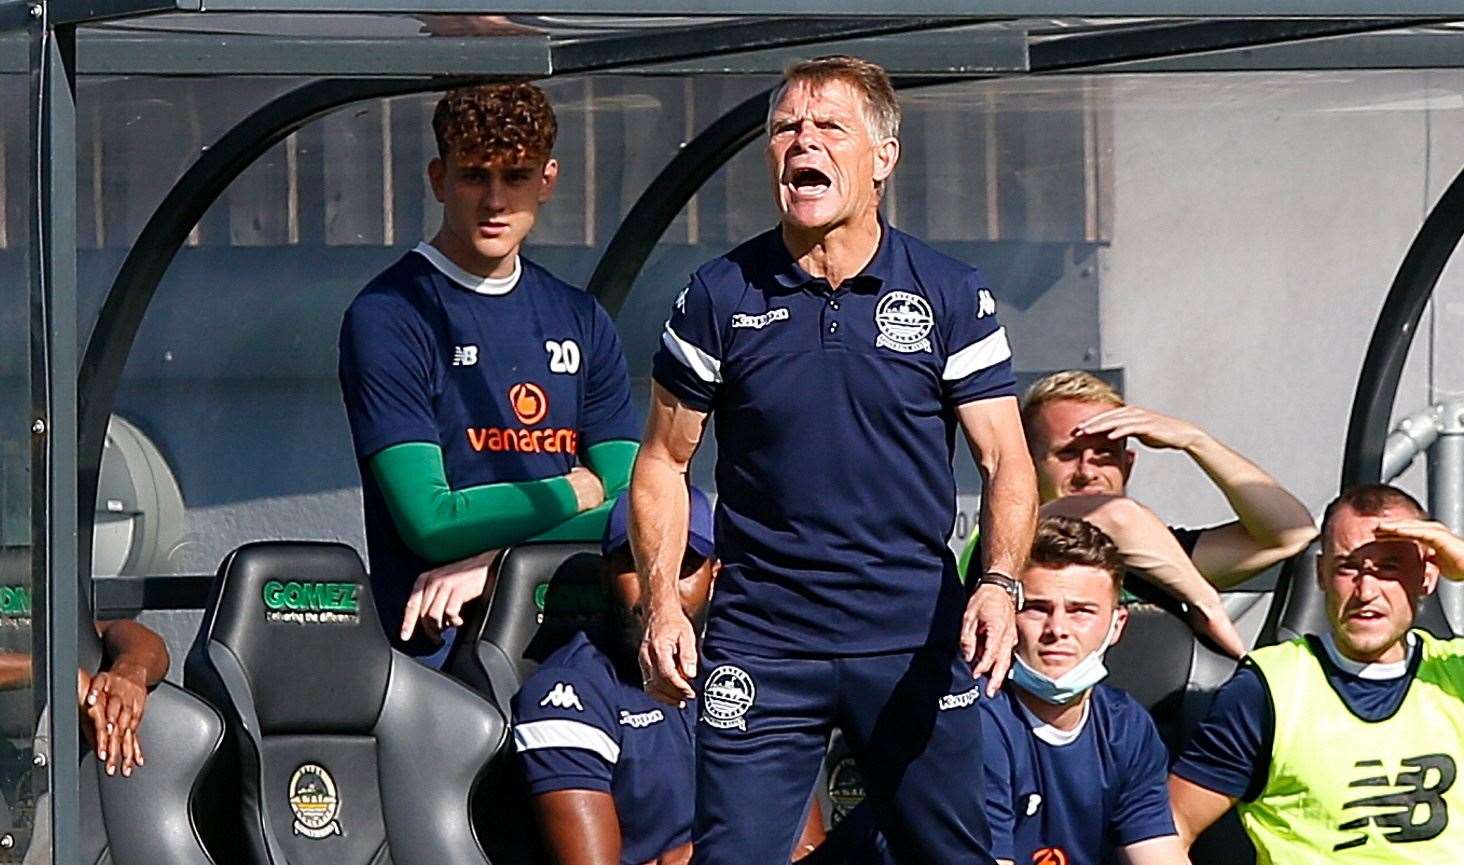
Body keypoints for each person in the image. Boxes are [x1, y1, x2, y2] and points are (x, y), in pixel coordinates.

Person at [631, 55, 1038, 865]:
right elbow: (662, 464)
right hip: (763, 642)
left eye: (827, 128)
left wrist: (999, 580)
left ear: (883, 157)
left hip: (912, 636)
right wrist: (663, 603)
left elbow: (1007, 462)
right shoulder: (719, 294)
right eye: (785, 128)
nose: (800, 142)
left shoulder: (949, 294)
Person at [338, 83, 639, 665]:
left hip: (573, 635)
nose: (495, 201)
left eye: (517, 177)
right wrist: (572, 490)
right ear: (438, 179)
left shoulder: (580, 316)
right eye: (475, 176)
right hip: (440, 648)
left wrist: (493, 562)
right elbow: (432, 522)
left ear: (547, 180)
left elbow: (628, 507)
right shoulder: (391, 315)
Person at [513, 489, 831, 865]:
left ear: (715, 577)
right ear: (606, 575)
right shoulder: (566, 695)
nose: (658, 591)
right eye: (638, 562)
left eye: (684, 567)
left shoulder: (750, 672)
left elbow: (807, 846)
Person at [1169, 483, 1464, 862]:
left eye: (1389, 568)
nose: (1366, 591)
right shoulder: (1270, 688)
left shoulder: (1455, 671)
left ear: (1427, 577)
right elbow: (1170, 826)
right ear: (1322, 575)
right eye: (1348, 568)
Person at [1017, 370, 1315, 657]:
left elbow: (1292, 533)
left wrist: (1196, 441)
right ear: (1028, 467)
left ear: (1128, 464)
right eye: (1067, 454)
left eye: (1104, 455)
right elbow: (1118, 517)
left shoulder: (1156, 553)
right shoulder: (1009, 542)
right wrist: (1205, 601)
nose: (1087, 472)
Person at [981, 516, 1182, 865]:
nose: (1057, 628)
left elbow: (1159, 855)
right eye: (1037, 609)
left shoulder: (1126, 728)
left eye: (1081, 612)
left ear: (1117, 625)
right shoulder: (974, 718)